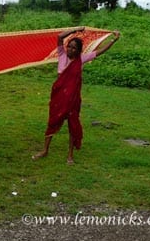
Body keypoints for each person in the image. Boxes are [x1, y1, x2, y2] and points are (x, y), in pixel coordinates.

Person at [32, 27, 120, 165]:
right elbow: (60, 37)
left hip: (72, 99)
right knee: (53, 121)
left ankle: (70, 155)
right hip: (59, 97)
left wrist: (113, 40)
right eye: (69, 47)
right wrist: (76, 30)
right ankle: (45, 150)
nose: (70, 50)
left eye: (74, 48)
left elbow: (100, 51)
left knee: (72, 124)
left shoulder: (81, 59)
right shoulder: (61, 54)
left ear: (78, 51)